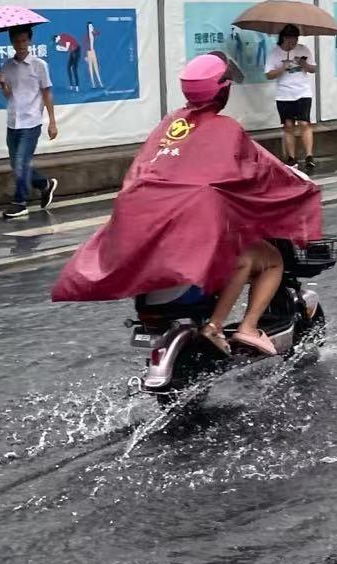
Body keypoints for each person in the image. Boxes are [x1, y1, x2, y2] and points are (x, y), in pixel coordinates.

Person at [51, 52, 322, 357]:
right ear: (223, 91)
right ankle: (238, 327)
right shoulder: (226, 129)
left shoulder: (169, 125)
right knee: (271, 259)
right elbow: (262, 167)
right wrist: (298, 183)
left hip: (158, 239)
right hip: (194, 238)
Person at [0, 25, 59, 219]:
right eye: (17, 41)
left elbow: (47, 92)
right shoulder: (7, 66)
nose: (21, 45)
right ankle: (44, 184)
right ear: (12, 43)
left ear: (29, 41)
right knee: (16, 164)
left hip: (31, 121)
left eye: (24, 41)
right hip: (13, 120)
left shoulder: (39, 65)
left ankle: (20, 202)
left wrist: (52, 122)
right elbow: (8, 95)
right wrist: (2, 84)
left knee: (22, 162)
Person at [266, 23, 317, 172]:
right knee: (288, 126)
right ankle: (291, 158)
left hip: (303, 92)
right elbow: (268, 74)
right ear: (283, 38)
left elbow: (313, 69)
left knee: (304, 123)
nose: (293, 43)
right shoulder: (274, 53)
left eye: (295, 39)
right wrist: (283, 68)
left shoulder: (303, 49)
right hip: (284, 94)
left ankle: (309, 157)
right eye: (290, 40)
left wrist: (304, 64)